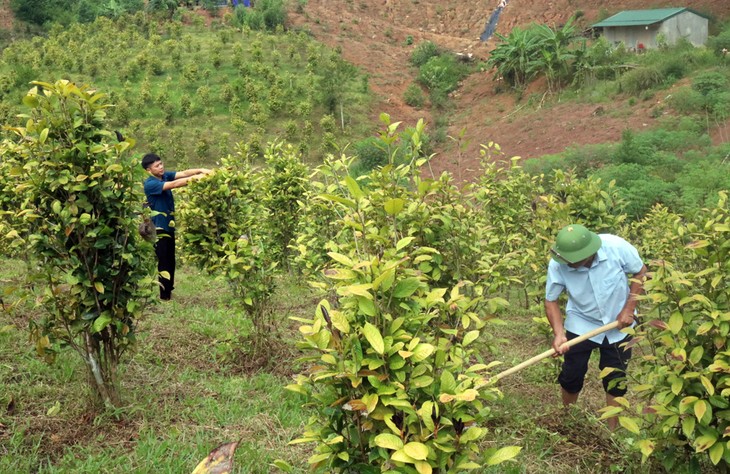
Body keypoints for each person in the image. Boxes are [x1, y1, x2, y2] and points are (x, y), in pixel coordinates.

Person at [544, 224, 647, 430]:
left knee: (615, 377)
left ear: (588, 253)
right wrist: (558, 334)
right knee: (572, 373)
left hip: (619, 325)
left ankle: (613, 431)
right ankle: (568, 420)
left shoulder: (616, 247)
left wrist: (629, 308)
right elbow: (551, 300)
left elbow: (640, 272)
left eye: (574, 262)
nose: (568, 265)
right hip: (581, 322)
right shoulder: (559, 263)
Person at [141, 153, 212, 301]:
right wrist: (196, 179)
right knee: (164, 261)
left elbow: (184, 173)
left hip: (169, 227)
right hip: (159, 228)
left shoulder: (164, 176)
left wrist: (201, 170)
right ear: (149, 170)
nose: (161, 167)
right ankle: (164, 296)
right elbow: (175, 184)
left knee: (171, 260)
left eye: (161, 164)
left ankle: (169, 290)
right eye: (157, 166)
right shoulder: (151, 183)